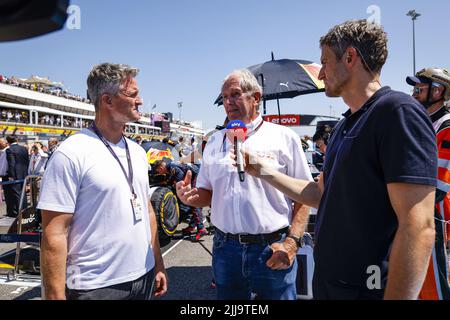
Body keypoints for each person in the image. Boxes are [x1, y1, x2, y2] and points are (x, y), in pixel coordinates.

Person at [234, 20, 437, 300]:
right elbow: (321, 194)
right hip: (331, 283)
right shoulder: (344, 125)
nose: (321, 74)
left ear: (350, 58)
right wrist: (263, 171)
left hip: (369, 289)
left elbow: (418, 226)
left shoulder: (397, 112)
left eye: (325, 62)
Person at [176, 69, 313, 300]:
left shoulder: (283, 137)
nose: (228, 102)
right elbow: (207, 193)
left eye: (235, 94)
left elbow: (305, 195)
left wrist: (292, 242)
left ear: (256, 97)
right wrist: (189, 197)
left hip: (271, 247)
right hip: (225, 249)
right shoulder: (214, 142)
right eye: (224, 97)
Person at [37, 63, 168, 300]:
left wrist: (157, 262)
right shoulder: (71, 152)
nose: (140, 101)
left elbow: (147, 212)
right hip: (95, 286)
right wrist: (55, 296)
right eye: (133, 95)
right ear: (107, 100)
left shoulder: (137, 152)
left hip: (144, 276)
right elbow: (53, 233)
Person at [406, 67, 450, 300]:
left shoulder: (447, 126)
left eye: (419, 89)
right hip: (414, 213)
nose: (413, 94)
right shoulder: (423, 123)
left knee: (435, 287)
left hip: (433, 217)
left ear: (438, 91)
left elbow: (440, 187)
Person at [153, 158, 207, 241]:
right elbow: (171, 180)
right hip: (196, 173)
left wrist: (172, 187)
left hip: (197, 175)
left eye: (158, 171)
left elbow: (180, 179)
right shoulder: (171, 166)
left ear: (161, 168)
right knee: (191, 202)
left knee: (193, 201)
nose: (159, 173)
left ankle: (201, 229)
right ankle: (192, 226)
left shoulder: (173, 168)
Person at [5, 135, 29, 218]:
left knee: (17, 194)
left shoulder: (9, 150)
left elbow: (11, 163)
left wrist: (11, 175)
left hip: (15, 174)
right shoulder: (24, 149)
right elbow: (27, 162)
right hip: (24, 174)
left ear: (8, 141)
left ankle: (20, 214)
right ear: (17, 140)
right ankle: (25, 211)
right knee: (23, 194)